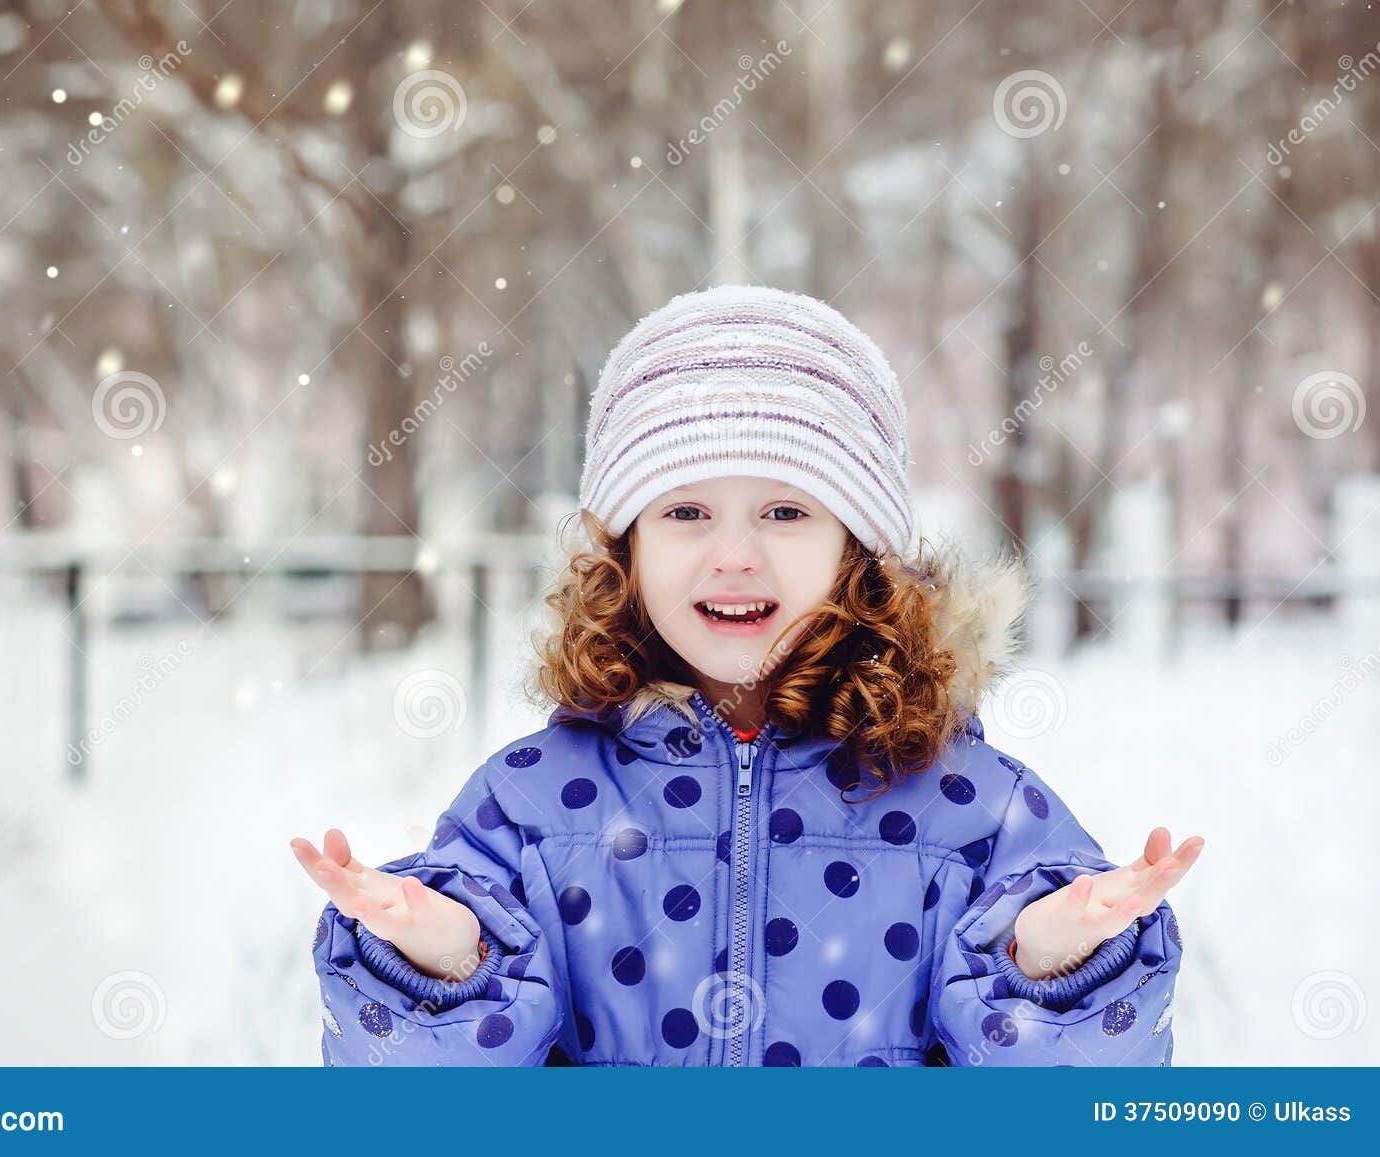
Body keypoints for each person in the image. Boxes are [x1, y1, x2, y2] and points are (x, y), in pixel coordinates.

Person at [290, 284, 1203, 1066]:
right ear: (628, 550)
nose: (734, 554)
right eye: (686, 510)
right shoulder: (533, 802)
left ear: (857, 549)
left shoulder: (968, 800)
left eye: (783, 509)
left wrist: (1057, 961)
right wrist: (437, 961)